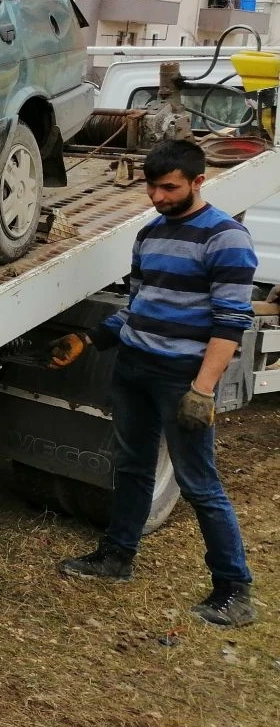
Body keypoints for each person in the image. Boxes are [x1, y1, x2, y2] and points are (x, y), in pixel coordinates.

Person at [48, 138, 258, 626]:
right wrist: (90, 339)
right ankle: (117, 557)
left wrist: (201, 391)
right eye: (152, 187)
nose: (159, 197)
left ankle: (234, 589)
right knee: (133, 467)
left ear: (198, 182)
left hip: (181, 377)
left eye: (170, 188)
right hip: (135, 368)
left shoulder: (226, 238)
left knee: (199, 483)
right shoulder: (149, 235)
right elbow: (139, 308)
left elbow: (230, 323)